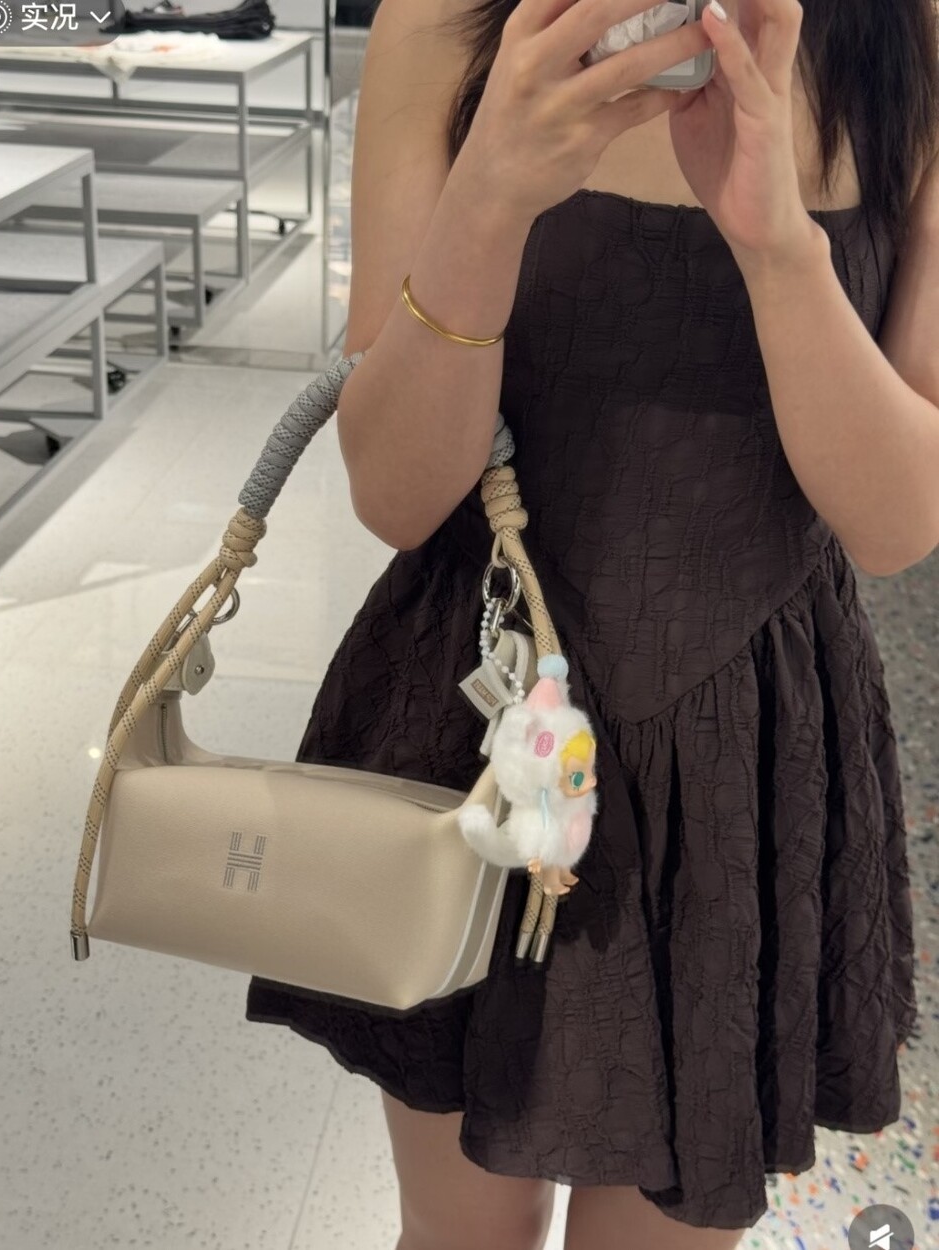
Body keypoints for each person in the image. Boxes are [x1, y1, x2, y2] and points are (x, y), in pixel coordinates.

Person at [245, 0, 939, 1245]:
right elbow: (397, 493)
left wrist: (778, 245)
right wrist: (491, 197)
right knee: (460, 1230)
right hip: (478, 702)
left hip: (745, 750)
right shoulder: (447, 22)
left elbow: (895, 521)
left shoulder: (914, 41)